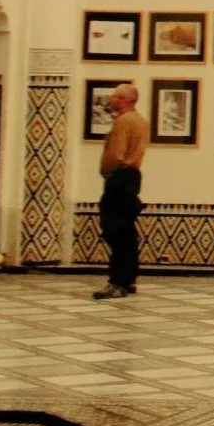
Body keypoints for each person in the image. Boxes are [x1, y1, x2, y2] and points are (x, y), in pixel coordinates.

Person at [95, 82, 147, 300]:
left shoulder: (123, 121)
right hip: (132, 177)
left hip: (120, 177)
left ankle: (117, 282)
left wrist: (108, 173)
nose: (112, 100)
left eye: (116, 97)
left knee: (114, 230)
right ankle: (128, 278)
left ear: (127, 100)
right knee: (126, 231)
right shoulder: (141, 121)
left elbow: (116, 154)